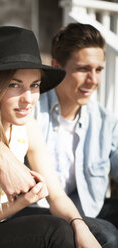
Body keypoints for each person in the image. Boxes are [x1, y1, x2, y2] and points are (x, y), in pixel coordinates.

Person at [0, 25, 117, 248]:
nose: (28, 99)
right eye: (14, 85)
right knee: (57, 231)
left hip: (7, 221)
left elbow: (57, 196)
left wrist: (79, 225)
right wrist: (22, 202)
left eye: (35, 85)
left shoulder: (27, 127)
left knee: (97, 233)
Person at [34, 22, 118, 229]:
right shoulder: (30, 110)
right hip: (35, 213)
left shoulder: (105, 121)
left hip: (84, 209)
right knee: (108, 235)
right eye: (83, 69)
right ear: (56, 67)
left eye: (98, 69)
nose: (93, 80)